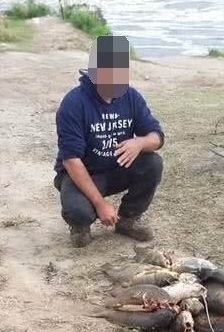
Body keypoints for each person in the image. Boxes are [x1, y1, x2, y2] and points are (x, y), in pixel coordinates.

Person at [54, 34, 164, 247]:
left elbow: (157, 136)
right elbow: (71, 160)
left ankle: (129, 219)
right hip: (82, 174)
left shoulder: (131, 96)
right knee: (78, 211)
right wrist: (100, 203)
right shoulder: (73, 103)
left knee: (152, 162)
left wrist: (139, 143)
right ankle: (79, 225)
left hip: (117, 170)